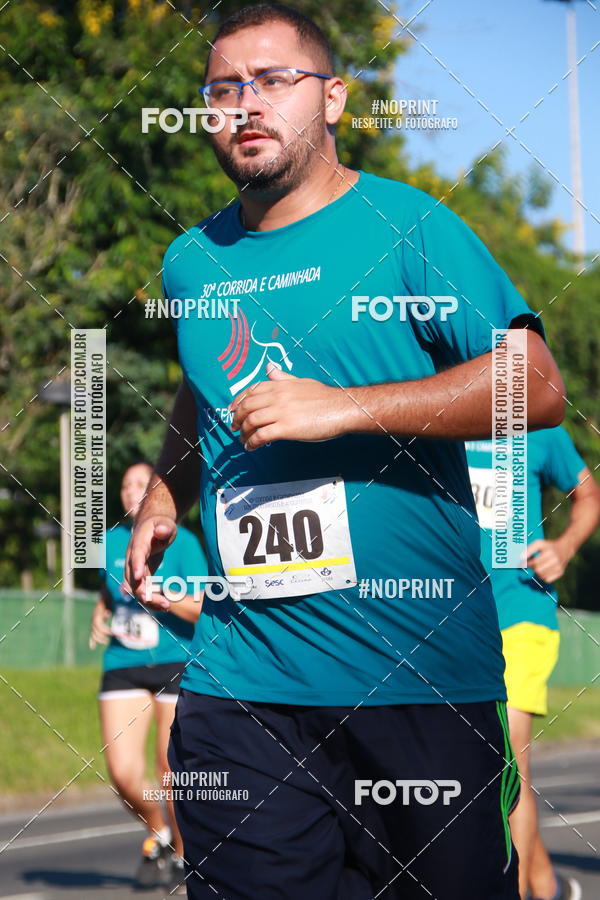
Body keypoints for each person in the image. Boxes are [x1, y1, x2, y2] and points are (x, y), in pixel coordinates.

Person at [123, 4, 567, 898]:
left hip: (419, 678)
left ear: (332, 98)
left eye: (273, 81)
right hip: (242, 680)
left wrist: (346, 409)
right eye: (221, 89)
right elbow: (198, 383)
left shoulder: (409, 228)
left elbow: (539, 386)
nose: (245, 105)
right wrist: (169, 491)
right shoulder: (192, 263)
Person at [466, 426, 600, 900]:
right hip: (452, 620)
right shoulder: (436, 410)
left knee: (508, 755)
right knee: (473, 766)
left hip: (521, 613)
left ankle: (517, 890)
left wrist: (564, 547)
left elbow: (588, 495)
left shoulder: (540, 427)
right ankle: (548, 885)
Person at [90, 461, 207, 893]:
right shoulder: (109, 543)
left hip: (175, 661)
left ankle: (181, 850)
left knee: (167, 771)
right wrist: (99, 616)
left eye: (142, 483)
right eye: (125, 485)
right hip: (122, 662)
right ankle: (159, 830)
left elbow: (202, 610)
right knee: (121, 772)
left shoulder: (185, 542)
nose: (131, 491)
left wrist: (165, 597)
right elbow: (109, 595)